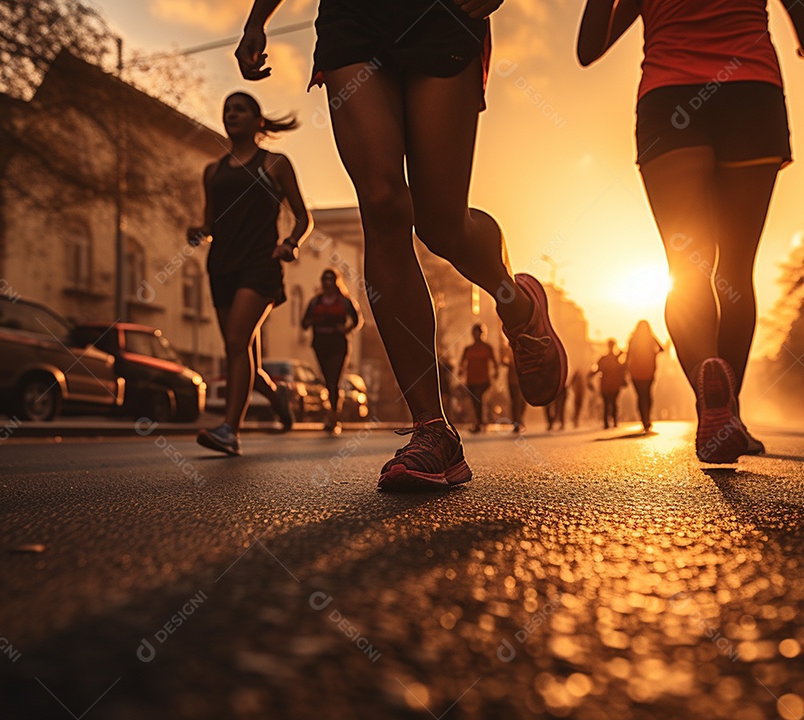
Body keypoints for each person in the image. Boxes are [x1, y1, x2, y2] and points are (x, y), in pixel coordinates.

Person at [236, 0, 568, 490]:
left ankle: (517, 303)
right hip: (353, 18)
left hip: (441, 12)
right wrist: (256, 18)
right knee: (384, 203)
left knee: (440, 225)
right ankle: (433, 430)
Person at [577, 0, 804, 461]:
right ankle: (728, 414)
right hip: (751, 97)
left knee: (686, 269)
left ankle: (709, 394)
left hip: (670, 103)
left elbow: (587, 49)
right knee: (735, 271)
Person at [188, 91, 312, 456]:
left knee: (237, 341)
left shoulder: (275, 163)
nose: (231, 114)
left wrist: (290, 243)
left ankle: (230, 431)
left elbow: (304, 217)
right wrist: (198, 232)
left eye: (239, 109)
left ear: (259, 121)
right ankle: (277, 395)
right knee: (239, 346)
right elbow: (211, 223)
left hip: (260, 263)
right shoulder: (213, 171)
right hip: (221, 264)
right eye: (227, 109)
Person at [302, 268, 362, 435]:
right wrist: (312, 321)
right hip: (321, 343)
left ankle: (334, 417)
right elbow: (304, 322)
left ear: (336, 281)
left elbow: (357, 321)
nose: (327, 283)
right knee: (327, 379)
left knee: (333, 379)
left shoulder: (344, 301)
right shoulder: (316, 301)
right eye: (324, 279)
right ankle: (332, 414)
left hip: (338, 344)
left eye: (330, 279)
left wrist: (346, 328)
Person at [626, 320, 665, 431]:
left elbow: (628, 355)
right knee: (647, 394)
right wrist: (653, 354)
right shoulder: (651, 338)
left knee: (640, 396)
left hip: (635, 372)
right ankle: (647, 417)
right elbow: (662, 349)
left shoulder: (633, 339)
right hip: (649, 370)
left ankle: (644, 419)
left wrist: (626, 370)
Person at [460, 323, 497, 433]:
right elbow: (462, 363)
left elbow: (494, 362)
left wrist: (496, 372)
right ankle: (479, 421)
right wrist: (460, 371)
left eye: (479, 333)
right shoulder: (468, 349)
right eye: (475, 333)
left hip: (484, 380)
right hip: (471, 379)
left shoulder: (488, 348)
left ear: (482, 334)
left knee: (479, 398)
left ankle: (479, 422)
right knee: (475, 401)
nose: (477, 335)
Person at [590, 338, 627, 430]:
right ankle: (613, 421)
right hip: (613, 385)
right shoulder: (615, 359)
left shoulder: (604, 359)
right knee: (613, 403)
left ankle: (607, 422)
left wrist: (589, 376)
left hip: (606, 385)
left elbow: (598, 369)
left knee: (607, 403)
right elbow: (622, 369)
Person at [500, 340, 526, 433]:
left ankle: (520, 420)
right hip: (512, 380)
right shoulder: (508, 350)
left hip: (523, 380)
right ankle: (516, 423)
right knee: (515, 402)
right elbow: (504, 361)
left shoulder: (523, 350)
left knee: (522, 402)